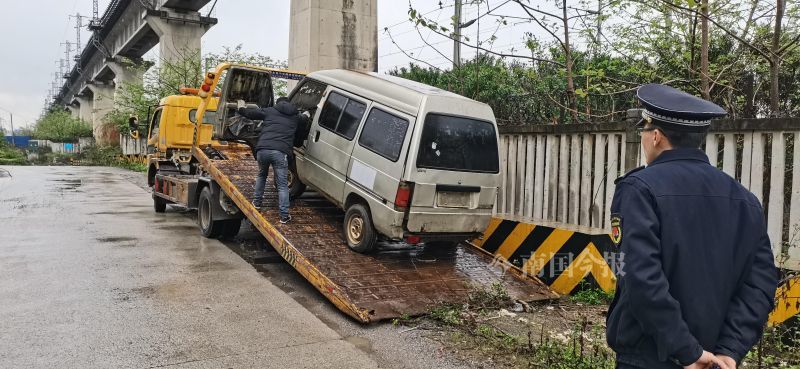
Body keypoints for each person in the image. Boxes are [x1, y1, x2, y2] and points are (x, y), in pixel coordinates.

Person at [607, 84, 778, 369]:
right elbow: (760, 284)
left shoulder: (640, 189)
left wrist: (686, 350)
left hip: (650, 356)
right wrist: (729, 350)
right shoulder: (744, 199)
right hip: (715, 359)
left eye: (645, 131)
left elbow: (641, 277)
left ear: (657, 136)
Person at [238, 96, 302, 224]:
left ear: (278, 103)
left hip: (263, 150)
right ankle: (284, 216)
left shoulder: (270, 110)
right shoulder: (296, 117)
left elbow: (251, 114)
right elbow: (305, 121)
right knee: (283, 185)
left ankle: (257, 203)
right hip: (280, 152)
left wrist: (241, 108)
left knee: (262, 175)